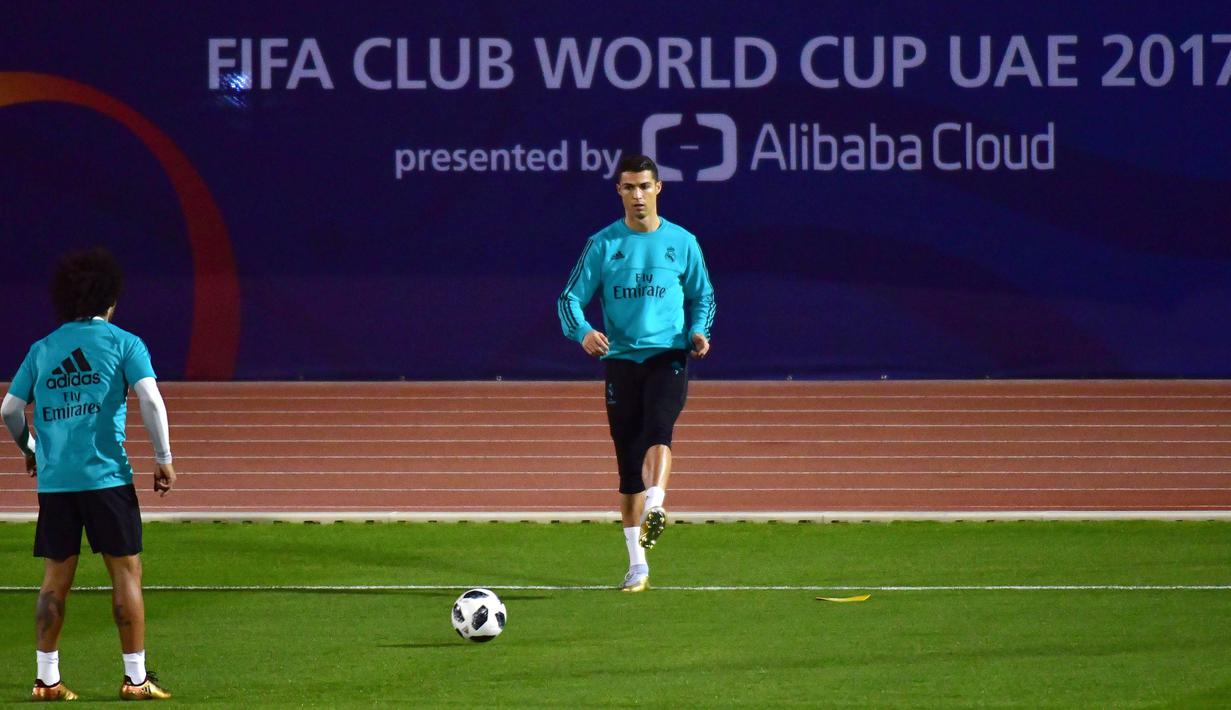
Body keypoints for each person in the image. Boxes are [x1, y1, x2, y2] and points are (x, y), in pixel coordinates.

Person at [2, 248, 176, 701]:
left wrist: (30, 448)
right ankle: (135, 679)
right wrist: (163, 456)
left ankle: (46, 680)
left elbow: (10, 409)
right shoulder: (125, 343)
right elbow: (151, 401)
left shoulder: (41, 349)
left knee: (54, 579)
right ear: (110, 299)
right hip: (107, 479)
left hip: (56, 483)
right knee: (125, 574)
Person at [557, 154, 715, 593]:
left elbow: (704, 296)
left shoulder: (683, 242)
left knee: (660, 428)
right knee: (627, 466)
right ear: (619, 192)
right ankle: (637, 566)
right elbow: (569, 299)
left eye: (645, 186)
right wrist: (583, 332)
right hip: (622, 361)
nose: (638, 195)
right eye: (629, 187)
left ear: (659, 188)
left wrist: (700, 332)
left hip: (668, 354)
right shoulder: (603, 245)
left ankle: (658, 503)